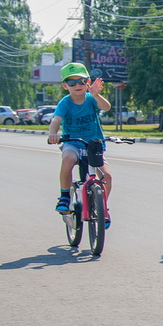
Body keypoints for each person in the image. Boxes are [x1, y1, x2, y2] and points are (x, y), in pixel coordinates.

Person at [47, 62, 113, 225]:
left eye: (81, 81)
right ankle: (64, 196)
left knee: (107, 177)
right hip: (73, 143)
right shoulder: (65, 102)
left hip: (93, 145)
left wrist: (97, 95)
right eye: (72, 82)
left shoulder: (91, 99)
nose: (77, 85)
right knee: (68, 159)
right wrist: (53, 133)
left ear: (88, 82)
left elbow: (107, 107)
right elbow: (56, 119)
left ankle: (102, 208)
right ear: (65, 86)